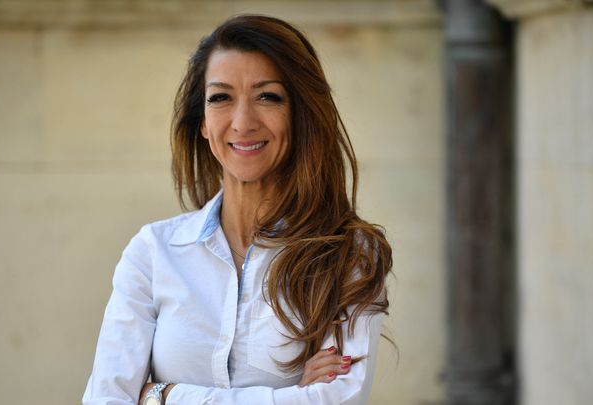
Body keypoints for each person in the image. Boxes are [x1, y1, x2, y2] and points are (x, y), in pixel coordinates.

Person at [83, 14, 393, 405]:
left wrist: (165, 397)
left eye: (268, 96)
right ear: (203, 123)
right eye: (221, 98)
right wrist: (292, 395)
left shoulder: (349, 254)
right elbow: (106, 399)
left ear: (300, 115)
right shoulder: (152, 252)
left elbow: (337, 400)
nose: (243, 122)